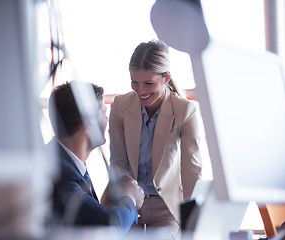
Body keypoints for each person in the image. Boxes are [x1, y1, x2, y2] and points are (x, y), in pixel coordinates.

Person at [108, 40, 202, 236]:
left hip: (166, 207)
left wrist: (193, 225)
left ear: (166, 78)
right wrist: (130, 192)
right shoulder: (119, 106)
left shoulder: (185, 111)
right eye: (134, 81)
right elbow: (117, 161)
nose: (140, 90)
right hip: (127, 201)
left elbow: (192, 172)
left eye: (149, 83)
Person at [47, 81, 144, 231]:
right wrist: (130, 198)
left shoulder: (67, 162)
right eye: (103, 112)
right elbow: (108, 227)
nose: (107, 119)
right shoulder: (60, 174)